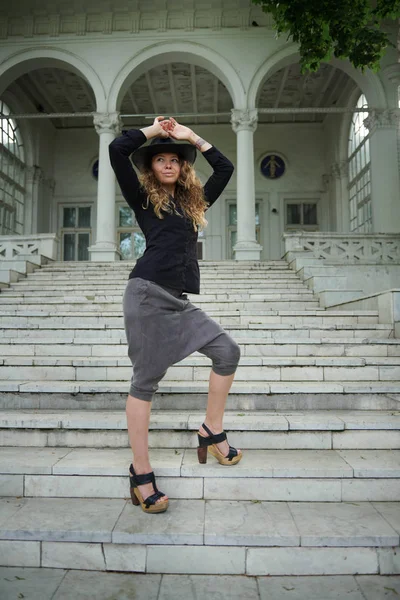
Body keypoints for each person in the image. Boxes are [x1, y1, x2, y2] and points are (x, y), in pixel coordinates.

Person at [109, 116, 242, 514]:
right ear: (150, 167)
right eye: (160, 159)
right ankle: (141, 472)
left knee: (227, 352)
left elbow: (225, 168)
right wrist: (153, 129)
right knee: (145, 382)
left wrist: (190, 138)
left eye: (174, 159)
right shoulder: (144, 199)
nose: (168, 164)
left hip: (178, 300)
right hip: (147, 294)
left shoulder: (193, 202)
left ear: (183, 167)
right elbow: (117, 149)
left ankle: (211, 428)